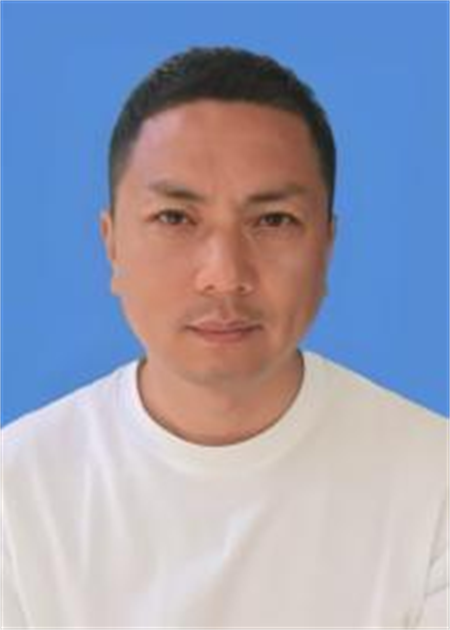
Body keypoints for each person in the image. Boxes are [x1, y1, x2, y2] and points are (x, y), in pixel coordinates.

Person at [2, 47, 447, 629]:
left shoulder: (435, 482)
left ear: (327, 245)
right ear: (112, 244)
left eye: (273, 220)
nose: (225, 274)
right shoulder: (16, 493)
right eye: (175, 218)